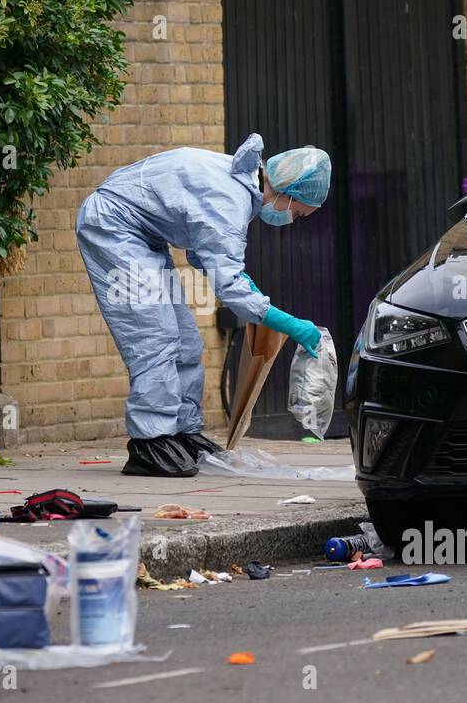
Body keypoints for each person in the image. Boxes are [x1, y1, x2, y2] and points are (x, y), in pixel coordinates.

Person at [76, 133, 331, 477]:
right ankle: (150, 442)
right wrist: (292, 326)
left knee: (185, 339)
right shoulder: (229, 201)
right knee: (156, 336)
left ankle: (182, 433)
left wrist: (246, 287)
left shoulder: (239, 184)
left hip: (142, 235)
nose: (292, 220)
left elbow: (205, 256)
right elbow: (227, 282)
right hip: (113, 227)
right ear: (287, 192)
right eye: (298, 213)